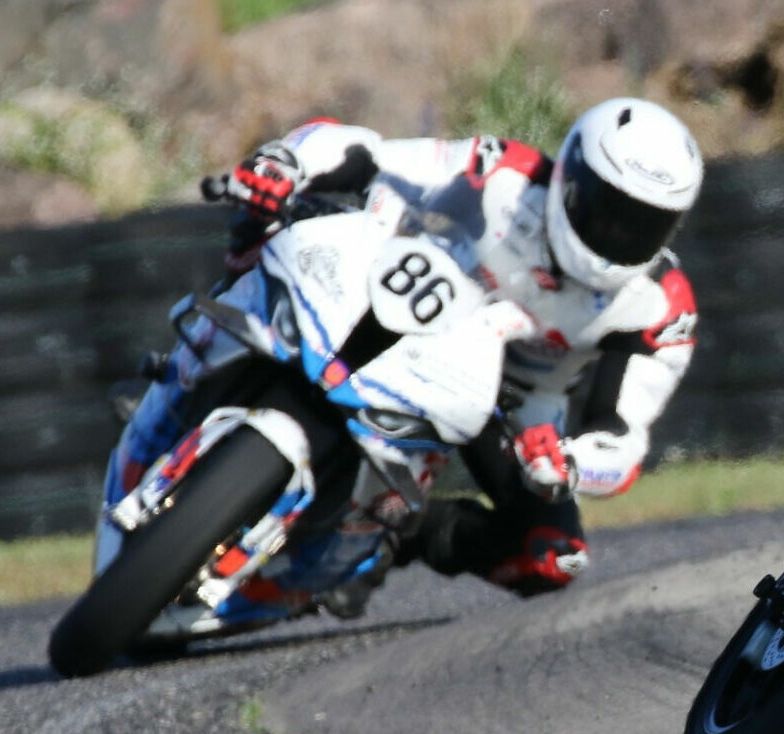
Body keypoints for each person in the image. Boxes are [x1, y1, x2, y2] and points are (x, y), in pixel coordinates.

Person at [219, 97, 705, 601]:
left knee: (554, 556)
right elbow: (373, 154)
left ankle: (393, 536)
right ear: (573, 176)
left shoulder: (658, 308)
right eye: (609, 209)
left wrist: (571, 463)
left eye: (644, 224)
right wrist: (288, 163)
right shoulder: (503, 173)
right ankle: (205, 353)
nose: (618, 234)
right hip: (415, 307)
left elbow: (623, 439)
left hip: (513, 407)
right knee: (267, 222)